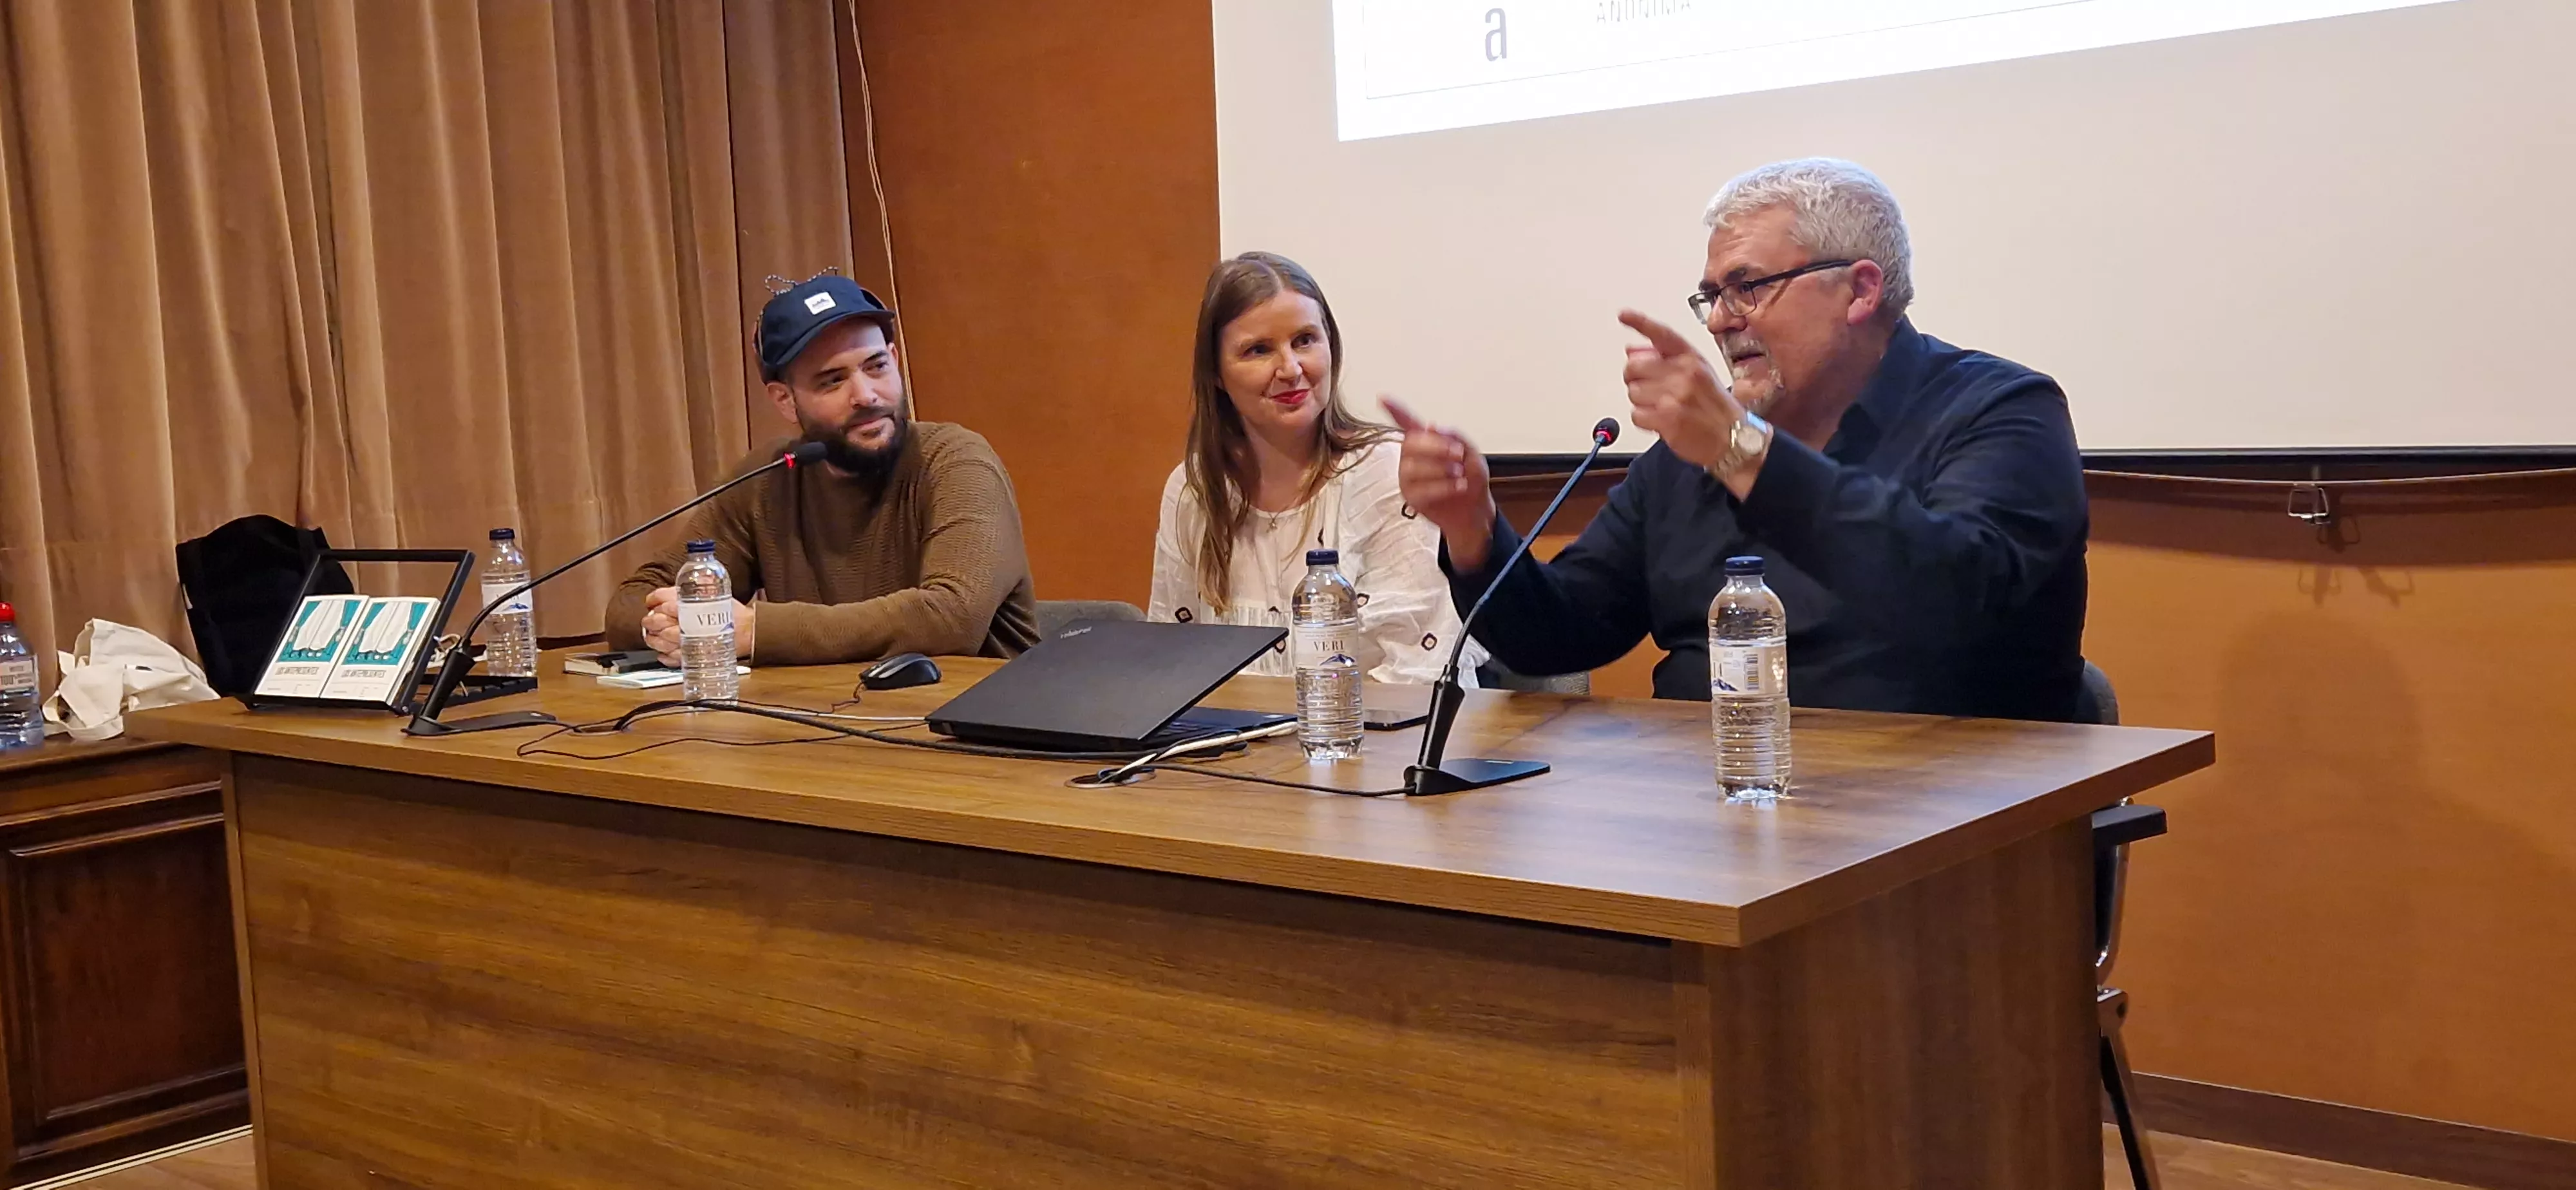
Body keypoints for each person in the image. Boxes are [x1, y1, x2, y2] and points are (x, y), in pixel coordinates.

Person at [1388, 158, 2086, 721]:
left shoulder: (2002, 410)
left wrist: (1741, 453)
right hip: (1707, 810)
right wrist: (1474, 530)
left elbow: (1957, 597)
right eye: (1712, 295)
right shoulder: (1689, 457)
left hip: (1948, 819)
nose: (1720, 320)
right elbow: (1560, 635)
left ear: (1860, 290)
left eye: (1748, 287)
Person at [607, 272, 1039, 666]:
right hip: (825, 725)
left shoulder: (956, 459)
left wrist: (756, 632)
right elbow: (629, 605)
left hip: (978, 735)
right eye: (832, 380)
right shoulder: (767, 479)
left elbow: (953, 616)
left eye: (876, 367)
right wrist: (669, 624)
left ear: (894, 358)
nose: (866, 395)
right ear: (784, 399)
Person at [1150, 252, 1478, 685]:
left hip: (1377, 745)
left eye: (1305, 340)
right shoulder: (1194, 489)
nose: (1290, 369)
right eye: (1258, 350)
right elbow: (1169, 669)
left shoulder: (1387, 474)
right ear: (1216, 374)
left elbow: (1419, 676)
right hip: (1232, 749)